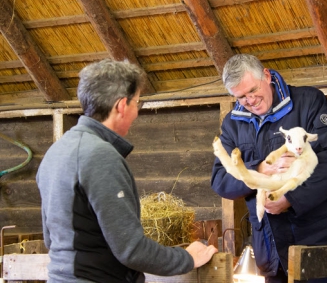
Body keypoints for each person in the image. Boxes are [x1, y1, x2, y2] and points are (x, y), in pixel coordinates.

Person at [36, 59, 218, 283]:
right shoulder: (100, 157)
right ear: (122, 105)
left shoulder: (55, 152)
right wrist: (187, 258)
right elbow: (131, 250)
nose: (136, 113)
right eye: (137, 104)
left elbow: (50, 238)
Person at [211, 54, 327, 283]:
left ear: (266, 76)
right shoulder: (232, 124)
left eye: (253, 90)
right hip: (271, 249)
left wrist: (291, 198)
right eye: (241, 97)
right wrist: (258, 168)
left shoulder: (309, 102)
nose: (250, 100)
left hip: (320, 239)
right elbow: (220, 179)